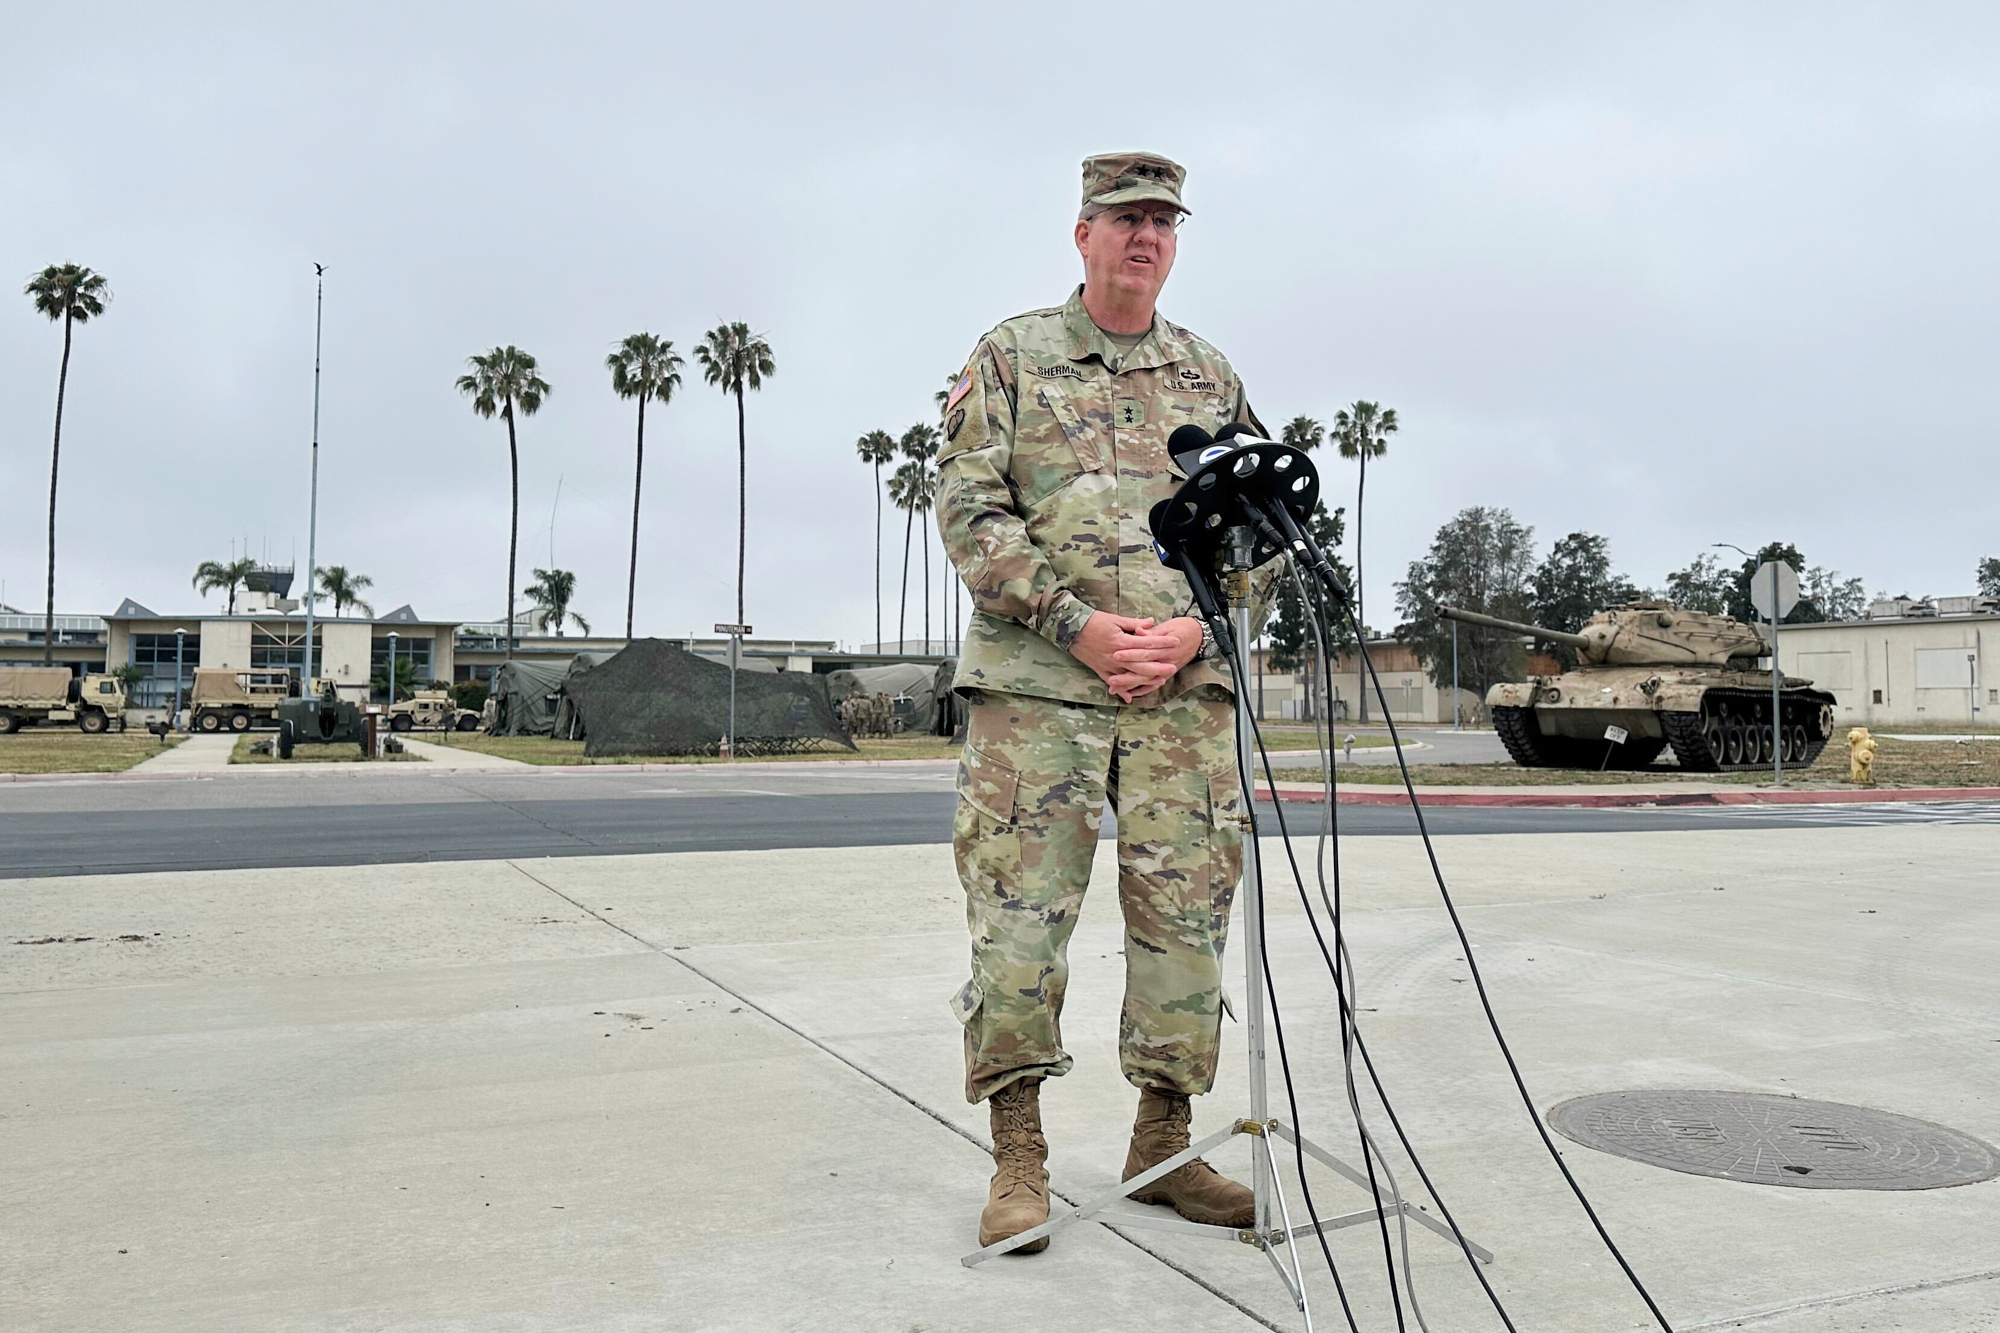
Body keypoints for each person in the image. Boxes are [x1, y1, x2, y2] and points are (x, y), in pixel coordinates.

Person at [935, 151, 1274, 1253]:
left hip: (1179, 703)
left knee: (1184, 924)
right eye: (1125, 217)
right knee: (1020, 926)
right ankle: (1018, 1157)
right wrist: (1074, 625)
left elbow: (1261, 529)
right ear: (1080, 233)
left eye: (1164, 222)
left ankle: (1162, 1146)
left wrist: (1195, 628)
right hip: (1039, 697)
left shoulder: (1208, 375)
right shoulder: (1014, 356)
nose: (1145, 237)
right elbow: (970, 508)